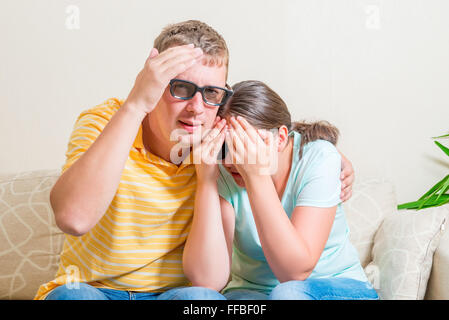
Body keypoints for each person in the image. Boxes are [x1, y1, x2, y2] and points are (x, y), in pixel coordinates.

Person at [34, 20, 354, 300]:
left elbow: (274, 133)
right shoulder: (105, 121)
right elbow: (73, 218)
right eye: (181, 88)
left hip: (178, 293)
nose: (197, 108)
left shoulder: (215, 139)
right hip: (94, 288)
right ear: (154, 82)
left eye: (211, 93)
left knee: (204, 299)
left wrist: (325, 153)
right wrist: (135, 105)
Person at [184, 80, 378, 300]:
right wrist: (206, 181)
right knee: (197, 297)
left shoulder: (318, 158)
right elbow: (207, 280)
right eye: (225, 146)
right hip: (252, 293)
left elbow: (294, 272)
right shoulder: (221, 168)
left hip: (332, 286)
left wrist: (256, 176)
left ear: (281, 138)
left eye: (245, 145)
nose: (232, 159)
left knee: (289, 294)